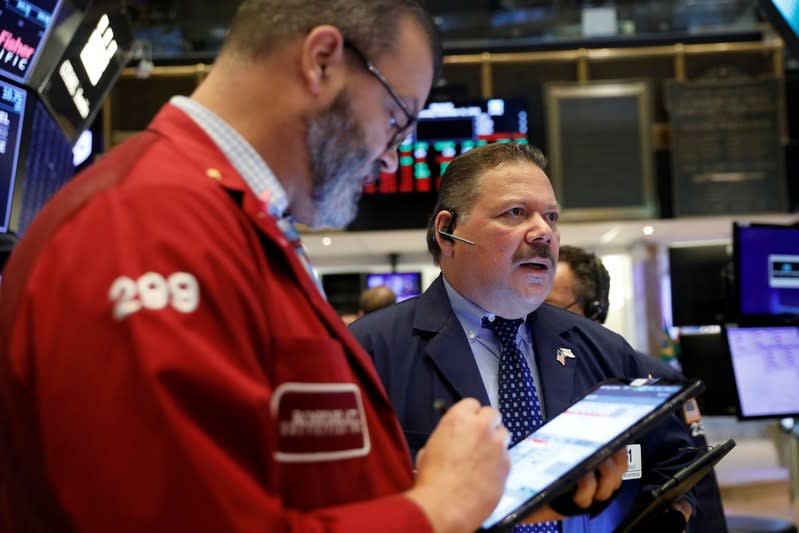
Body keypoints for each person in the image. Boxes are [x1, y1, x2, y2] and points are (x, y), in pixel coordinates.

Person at [0, 2, 626, 532]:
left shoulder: (235, 224)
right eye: (397, 116)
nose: (394, 152)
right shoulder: (148, 226)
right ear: (321, 59)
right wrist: (435, 509)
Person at [349, 142, 710, 533]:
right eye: (515, 213)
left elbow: (676, 460)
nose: (543, 233)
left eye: (551, 217)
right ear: (447, 232)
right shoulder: (367, 353)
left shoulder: (602, 348)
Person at [546, 245, 729, 532]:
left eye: (550, 307)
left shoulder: (653, 378)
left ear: (596, 310)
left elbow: (695, 482)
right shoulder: (530, 378)